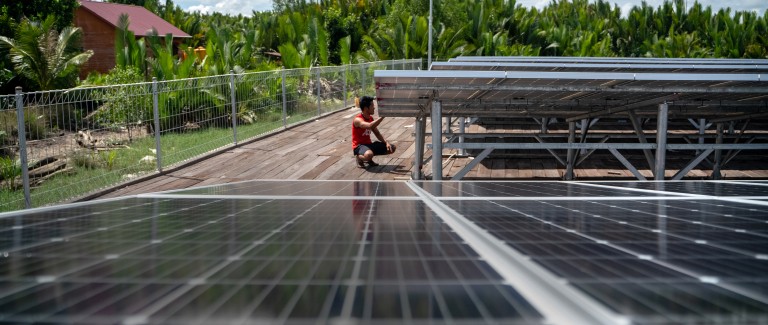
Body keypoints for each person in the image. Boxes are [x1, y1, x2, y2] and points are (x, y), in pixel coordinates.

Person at [352, 96, 396, 168]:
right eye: (372, 105)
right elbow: (369, 125)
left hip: (369, 145)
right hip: (359, 146)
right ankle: (359, 158)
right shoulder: (357, 120)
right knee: (369, 155)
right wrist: (383, 116)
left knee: (392, 148)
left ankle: (368, 156)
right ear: (366, 108)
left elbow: (377, 133)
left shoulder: (370, 118)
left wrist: (386, 142)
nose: (374, 107)